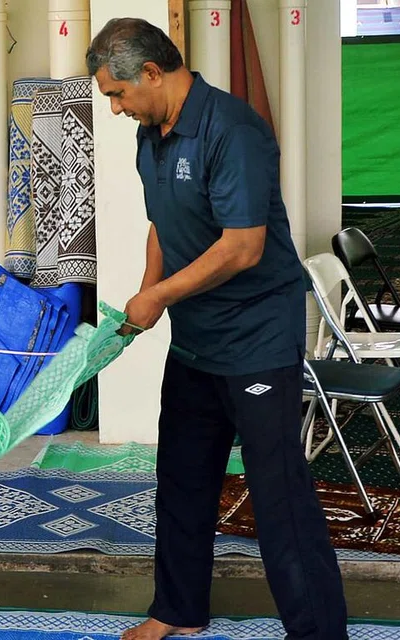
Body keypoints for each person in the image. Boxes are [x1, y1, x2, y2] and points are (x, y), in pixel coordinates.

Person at [86, 18, 349, 640]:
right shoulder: (152, 135)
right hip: (197, 342)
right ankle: (177, 610)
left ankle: (319, 633)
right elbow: (162, 223)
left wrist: (158, 297)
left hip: (257, 339)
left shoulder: (232, 129)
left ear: (152, 72)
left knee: (277, 492)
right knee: (181, 475)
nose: (116, 109)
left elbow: (242, 248)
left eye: (119, 95)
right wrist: (148, 292)